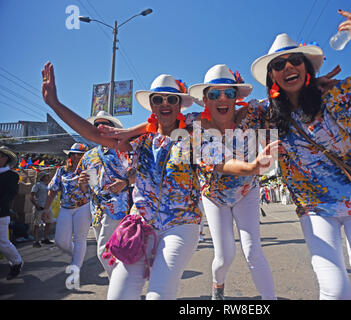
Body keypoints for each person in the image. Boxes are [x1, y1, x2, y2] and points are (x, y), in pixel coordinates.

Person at [41, 63, 274, 299]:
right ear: (152, 105)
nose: (165, 103)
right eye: (158, 99)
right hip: (139, 227)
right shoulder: (140, 140)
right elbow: (93, 135)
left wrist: (252, 167)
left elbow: (220, 163)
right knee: (119, 295)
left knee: (158, 295)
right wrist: (55, 104)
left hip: (181, 225)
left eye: (171, 99)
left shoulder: (194, 135)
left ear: (179, 105)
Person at [248, 8, 351, 299]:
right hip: (315, 209)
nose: (287, 67)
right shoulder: (265, 114)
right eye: (279, 64)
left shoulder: (335, 95)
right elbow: (217, 116)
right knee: (335, 289)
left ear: (307, 68)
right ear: (272, 77)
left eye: (295, 60)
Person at [187, 64, 277, 300]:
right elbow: (219, 162)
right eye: (215, 94)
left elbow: (286, 96)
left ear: (238, 98)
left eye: (229, 93)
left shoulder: (253, 114)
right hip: (214, 197)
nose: (223, 98)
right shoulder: (196, 126)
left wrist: (313, 85)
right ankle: (218, 286)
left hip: (248, 192)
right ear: (206, 100)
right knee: (225, 256)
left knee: (253, 251)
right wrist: (253, 167)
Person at [76, 111, 135, 279]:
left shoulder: (124, 150)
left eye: (105, 124)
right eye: (96, 125)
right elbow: (83, 188)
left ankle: (121, 287)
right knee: (112, 251)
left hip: (118, 207)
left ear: (113, 128)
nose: (100, 128)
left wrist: (125, 182)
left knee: (103, 250)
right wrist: (82, 181)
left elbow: (139, 174)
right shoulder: (88, 156)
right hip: (96, 210)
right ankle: (120, 287)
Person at [43, 142, 91, 289]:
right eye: (73, 154)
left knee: (79, 238)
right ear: (69, 156)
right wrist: (45, 209)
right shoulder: (62, 171)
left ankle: (75, 269)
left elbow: (94, 190)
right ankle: (78, 256)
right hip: (65, 208)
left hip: (83, 207)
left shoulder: (90, 170)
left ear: (85, 156)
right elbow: (52, 190)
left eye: (79, 154)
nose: (76, 156)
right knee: (60, 241)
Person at [0, 146, 23, 280]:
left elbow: (9, 195)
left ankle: (16, 262)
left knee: (2, 242)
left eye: (1, 155)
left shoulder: (12, 176)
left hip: (1, 213)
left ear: (6, 159)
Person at [30, 171, 54, 247]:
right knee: (36, 224)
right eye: (46, 176)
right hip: (39, 207)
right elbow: (31, 196)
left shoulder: (48, 185)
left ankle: (45, 238)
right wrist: (36, 205)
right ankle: (36, 240)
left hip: (47, 207)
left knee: (49, 222)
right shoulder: (37, 185)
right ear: (42, 177)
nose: (48, 177)